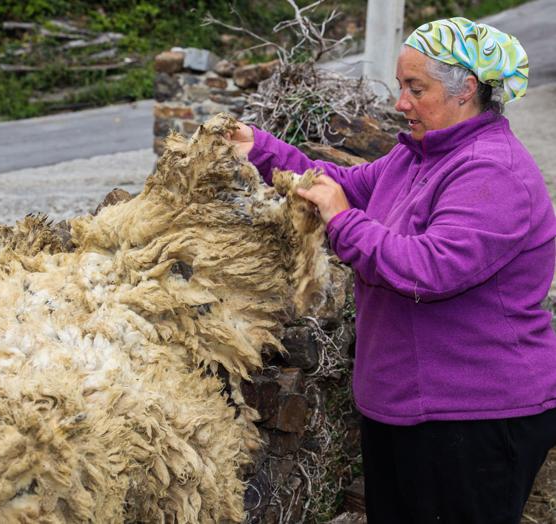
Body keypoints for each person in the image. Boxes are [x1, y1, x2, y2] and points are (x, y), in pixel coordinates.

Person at [229, 17, 556, 524]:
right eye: (401, 85)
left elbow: (429, 269)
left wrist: (341, 218)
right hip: (406, 409)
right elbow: (335, 182)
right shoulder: (417, 157)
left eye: (415, 88)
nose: (400, 102)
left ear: (466, 88)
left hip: (474, 416)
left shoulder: (492, 171)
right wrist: (261, 149)